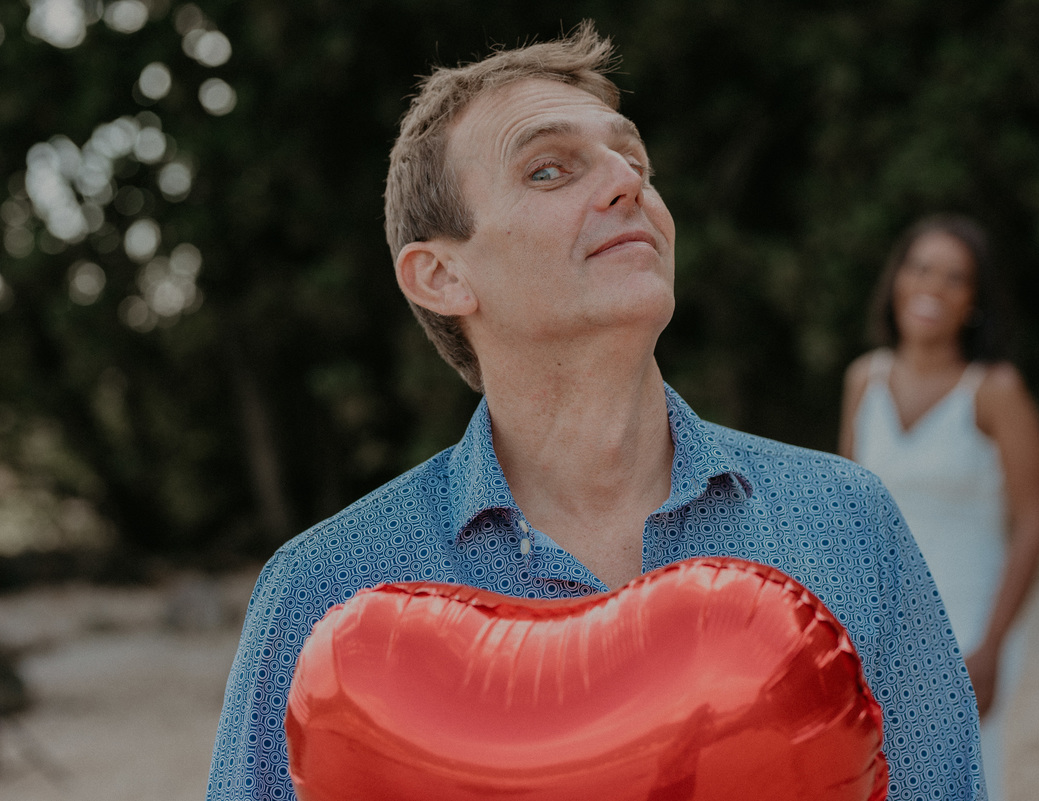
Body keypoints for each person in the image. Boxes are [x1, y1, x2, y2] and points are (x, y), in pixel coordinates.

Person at [208, 24, 986, 801]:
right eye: (549, 170)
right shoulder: (322, 592)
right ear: (442, 275)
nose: (628, 183)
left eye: (634, 160)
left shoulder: (847, 520)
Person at [839, 214, 1039, 801]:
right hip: (879, 626)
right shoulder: (865, 380)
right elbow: (847, 519)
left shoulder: (994, 391)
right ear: (897, 279)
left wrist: (993, 646)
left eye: (956, 278)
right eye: (921, 267)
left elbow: (1035, 520)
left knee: (960, 780)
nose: (932, 286)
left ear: (975, 301)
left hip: (968, 627)